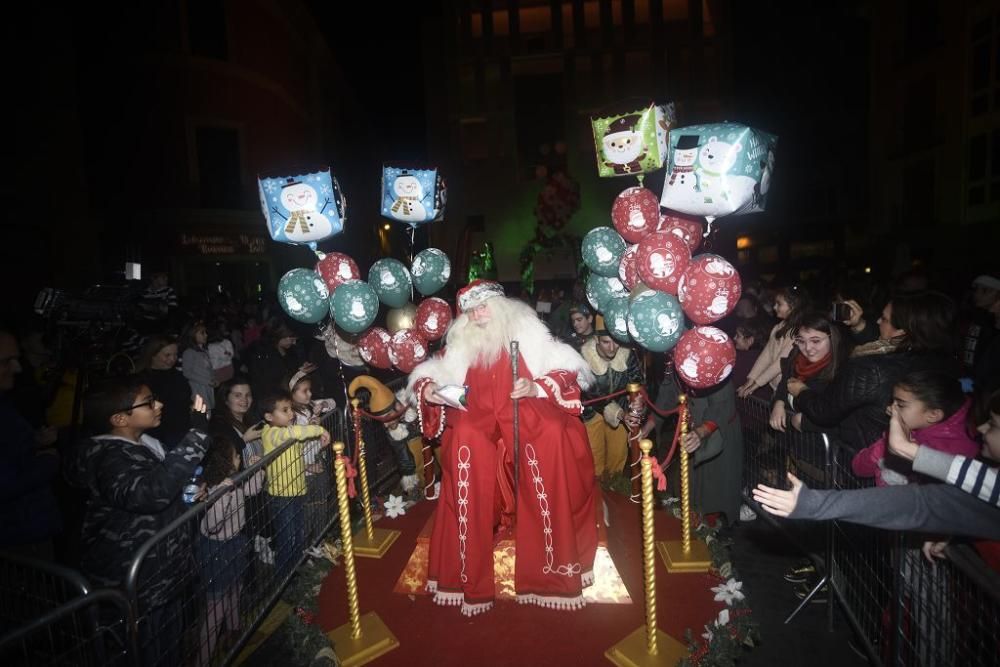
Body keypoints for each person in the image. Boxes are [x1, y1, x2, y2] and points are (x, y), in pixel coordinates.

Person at [406, 279, 598, 616]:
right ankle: (471, 574)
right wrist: (429, 389)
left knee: (549, 438)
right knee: (464, 443)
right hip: (476, 416)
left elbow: (566, 369)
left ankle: (550, 567)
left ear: (500, 306)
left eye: (483, 307)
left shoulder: (528, 331)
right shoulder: (462, 342)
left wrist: (536, 386)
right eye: (470, 310)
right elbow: (433, 373)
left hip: (524, 410)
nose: (477, 315)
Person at [66, 378, 209, 666]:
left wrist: (185, 495)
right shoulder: (109, 457)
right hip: (137, 584)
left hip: (164, 574)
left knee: (171, 648)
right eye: (148, 402)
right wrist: (197, 434)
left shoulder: (147, 444)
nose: (159, 404)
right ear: (119, 419)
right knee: (147, 652)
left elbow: (163, 488)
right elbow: (148, 495)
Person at [787, 291, 962, 453]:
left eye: (884, 319)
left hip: (862, 457)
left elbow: (824, 411)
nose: (877, 321)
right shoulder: (943, 362)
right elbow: (886, 348)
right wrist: (860, 325)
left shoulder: (868, 369)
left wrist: (801, 392)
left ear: (903, 330)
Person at [641, 361, 744, 526]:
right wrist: (649, 424)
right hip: (693, 430)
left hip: (719, 430)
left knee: (715, 484)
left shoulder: (711, 359)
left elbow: (722, 404)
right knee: (692, 482)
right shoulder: (674, 361)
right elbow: (667, 395)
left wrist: (701, 432)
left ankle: (711, 531)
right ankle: (696, 523)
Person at [196, 431, 264, 666]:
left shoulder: (232, 482)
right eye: (237, 457)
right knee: (215, 608)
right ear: (224, 461)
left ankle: (234, 634)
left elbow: (251, 490)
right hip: (216, 550)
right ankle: (203, 660)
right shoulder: (217, 490)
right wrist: (223, 496)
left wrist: (258, 469)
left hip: (235, 541)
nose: (240, 460)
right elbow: (213, 527)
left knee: (236, 589)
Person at [0, 328, 61, 559]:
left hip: (29, 525)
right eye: (6, 361)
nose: (17, 368)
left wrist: (34, 442)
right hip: (14, 535)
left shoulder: (5, 404)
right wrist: (48, 461)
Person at [259, 391, 330, 578]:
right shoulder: (271, 433)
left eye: (290, 409)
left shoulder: (284, 433)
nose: (291, 414)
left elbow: (295, 452)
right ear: (269, 417)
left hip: (297, 491)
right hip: (282, 496)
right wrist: (320, 430)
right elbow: (294, 433)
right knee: (287, 539)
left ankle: (296, 573)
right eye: (285, 410)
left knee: (298, 536)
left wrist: (308, 463)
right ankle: (284, 580)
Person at [579, 315, 644, 480]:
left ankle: (614, 489)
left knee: (617, 455)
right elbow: (594, 396)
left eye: (616, 342)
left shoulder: (627, 354)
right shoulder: (584, 358)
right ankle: (597, 495)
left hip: (621, 407)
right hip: (591, 411)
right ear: (596, 339)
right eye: (606, 342)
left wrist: (637, 403)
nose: (612, 348)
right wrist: (621, 414)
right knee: (594, 457)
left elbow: (637, 383)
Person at [769, 311, 852, 433]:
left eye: (816, 341)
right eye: (801, 341)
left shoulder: (842, 370)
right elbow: (785, 380)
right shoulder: (795, 355)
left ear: (832, 338)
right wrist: (779, 402)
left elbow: (839, 420)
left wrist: (804, 423)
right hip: (793, 441)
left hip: (818, 447)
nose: (808, 348)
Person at [348, 375, 422, 497]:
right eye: (382, 421)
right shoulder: (393, 430)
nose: (386, 425)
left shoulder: (416, 403)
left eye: (387, 418)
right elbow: (403, 457)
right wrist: (410, 483)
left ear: (397, 407)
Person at [288, 370, 336, 540]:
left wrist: (321, 406)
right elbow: (292, 447)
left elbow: (333, 402)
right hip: (305, 469)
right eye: (304, 391)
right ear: (292, 393)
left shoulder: (308, 407)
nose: (309, 394)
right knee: (308, 508)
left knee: (322, 502)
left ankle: (321, 539)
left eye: (309, 389)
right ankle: (307, 546)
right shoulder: (291, 416)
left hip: (318, 461)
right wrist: (310, 428)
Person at [737, 285, 808, 398]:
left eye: (779, 304)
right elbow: (766, 355)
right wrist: (750, 381)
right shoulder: (779, 327)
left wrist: (756, 385)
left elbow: (780, 363)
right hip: (776, 388)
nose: (774, 307)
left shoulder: (799, 331)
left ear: (793, 306)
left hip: (789, 390)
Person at [135, 335, 192, 447]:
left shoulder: (177, 375)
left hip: (182, 429)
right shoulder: (141, 381)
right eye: (167, 355)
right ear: (153, 355)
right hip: (158, 435)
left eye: (175, 354)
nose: (172, 359)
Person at [181, 321, 216, 416]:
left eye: (205, 332)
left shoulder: (204, 351)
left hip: (208, 387)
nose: (206, 335)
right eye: (202, 333)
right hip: (198, 388)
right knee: (202, 411)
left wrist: (214, 378)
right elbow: (187, 373)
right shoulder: (189, 352)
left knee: (209, 411)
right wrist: (206, 381)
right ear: (193, 335)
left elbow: (209, 368)